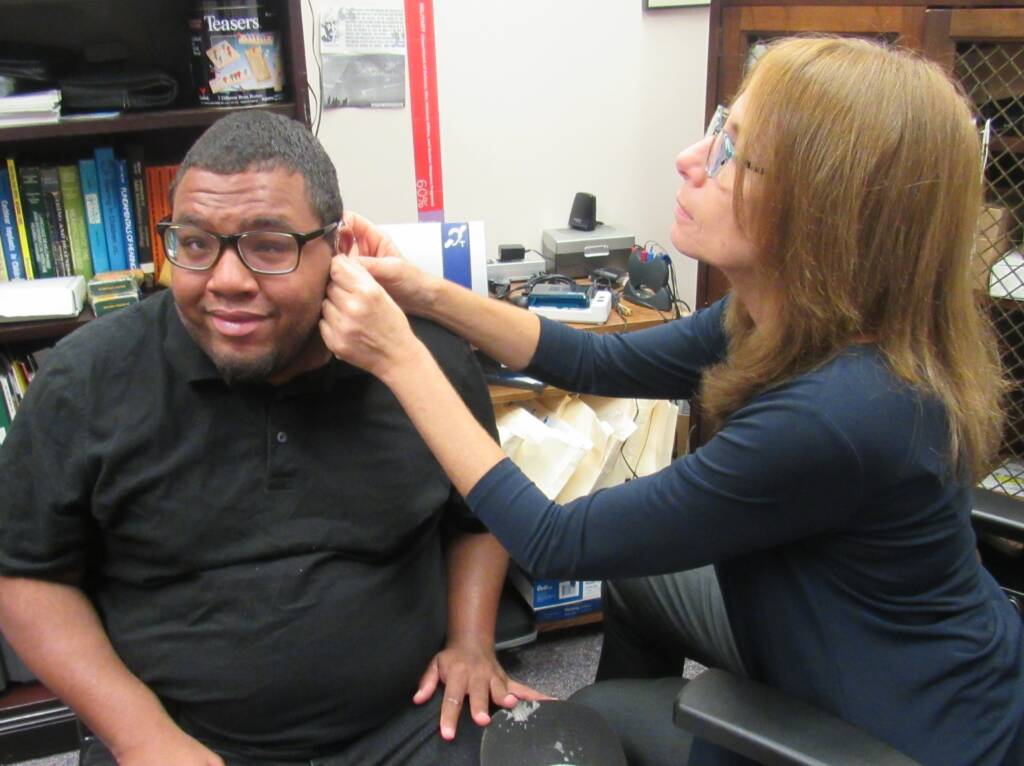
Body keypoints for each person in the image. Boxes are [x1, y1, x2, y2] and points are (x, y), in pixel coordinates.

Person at [318, 36, 1024, 766]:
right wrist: (424, 290)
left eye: (732, 152)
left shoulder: (839, 411)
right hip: (847, 638)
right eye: (722, 126)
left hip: (896, 732)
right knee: (642, 581)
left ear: (821, 211)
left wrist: (398, 356)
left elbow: (554, 540)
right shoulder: (783, 319)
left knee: (592, 716)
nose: (692, 158)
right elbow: (592, 356)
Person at [0, 110, 540, 766]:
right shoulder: (85, 379)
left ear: (337, 251)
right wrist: (141, 735)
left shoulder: (417, 362)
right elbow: (24, 575)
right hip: (180, 738)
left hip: (411, 722)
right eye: (196, 243)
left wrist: (473, 641)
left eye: (269, 245)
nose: (227, 279)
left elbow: (482, 515)